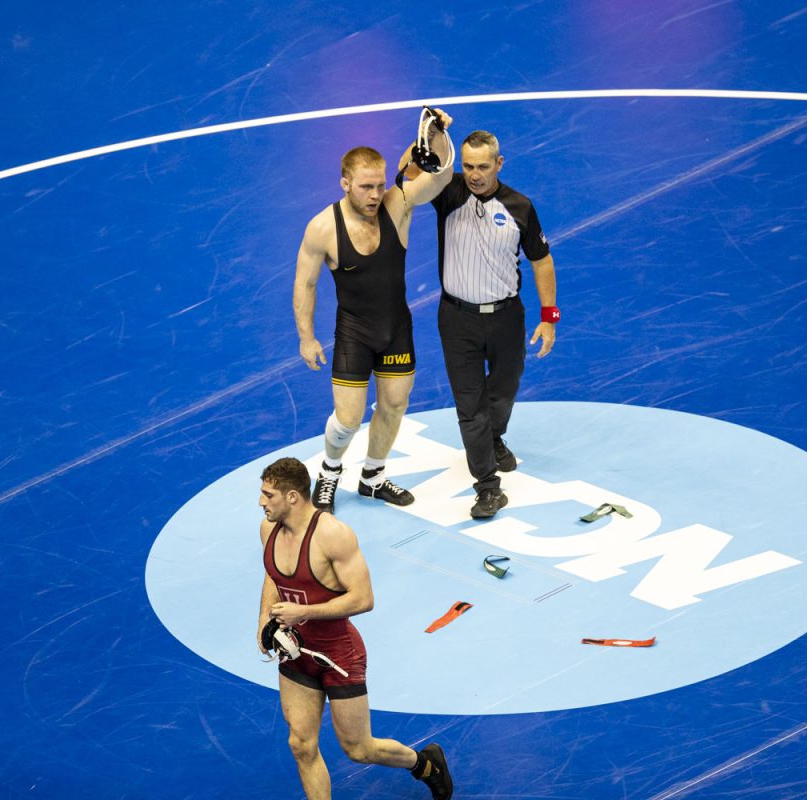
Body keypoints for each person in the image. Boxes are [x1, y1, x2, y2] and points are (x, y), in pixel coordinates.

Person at [256, 457, 454, 800]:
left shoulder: (333, 535)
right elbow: (274, 574)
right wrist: (264, 620)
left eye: (268, 495)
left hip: (338, 652)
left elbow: (363, 599)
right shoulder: (268, 529)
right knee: (301, 744)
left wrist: (303, 610)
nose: (262, 502)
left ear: (292, 497)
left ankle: (425, 764)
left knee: (359, 749)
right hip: (296, 649)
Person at [294, 110, 454, 514]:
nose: (373, 194)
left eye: (379, 184)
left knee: (395, 404)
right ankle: (329, 472)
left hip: (396, 328)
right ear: (344, 183)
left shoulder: (396, 204)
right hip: (354, 333)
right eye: (365, 187)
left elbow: (440, 176)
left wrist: (437, 135)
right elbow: (306, 284)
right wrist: (306, 336)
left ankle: (373, 476)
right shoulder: (322, 228)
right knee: (347, 419)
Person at [407, 129, 558, 519]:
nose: (474, 174)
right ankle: (488, 487)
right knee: (470, 405)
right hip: (457, 320)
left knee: (504, 392)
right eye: (468, 166)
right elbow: (408, 176)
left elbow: (541, 261)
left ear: (499, 164)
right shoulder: (448, 192)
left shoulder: (519, 206)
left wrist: (549, 317)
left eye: (483, 167)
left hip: (508, 318)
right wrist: (428, 134)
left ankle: (494, 437)